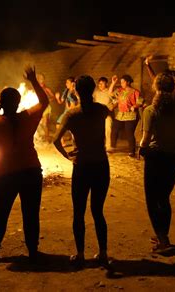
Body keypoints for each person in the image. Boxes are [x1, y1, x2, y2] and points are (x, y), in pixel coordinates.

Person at [0, 66, 49, 264]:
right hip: (31, 172)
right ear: (18, 102)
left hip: (6, 175)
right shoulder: (27, 117)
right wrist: (33, 80)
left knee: (0, 213)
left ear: (0, 102)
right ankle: (33, 252)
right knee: (31, 213)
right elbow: (44, 101)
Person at [53, 75, 111, 267]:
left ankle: (80, 254)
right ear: (93, 90)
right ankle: (103, 253)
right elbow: (112, 113)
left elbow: (55, 140)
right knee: (98, 211)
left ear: (75, 91)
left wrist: (68, 156)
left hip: (82, 166)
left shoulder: (72, 114)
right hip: (101, 164)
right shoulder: (101, 110)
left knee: (79, 212)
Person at [139, 73, 175, 252]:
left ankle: (163, 240)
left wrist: (141, 149)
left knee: (152, 199)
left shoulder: (151, 110)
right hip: (174, 157)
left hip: (156, 157)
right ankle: (162, 234)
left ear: (156, 87)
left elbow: (146, 138)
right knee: (164, 198)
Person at [109, 74, 142, 157]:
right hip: (121, 114)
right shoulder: (120, 91)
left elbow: (140, 102)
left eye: (123, 82)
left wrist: (134, 106)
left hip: (131, 115)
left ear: (128, 82)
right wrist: (113, 83)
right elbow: (110, 94)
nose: (121, 83)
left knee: (129, 132)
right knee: (114, 129)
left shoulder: (135, 92)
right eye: (121, 82)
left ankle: (132, 151)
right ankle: (112, 147)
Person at [93, 77, 114, 150]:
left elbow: (116, 101)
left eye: (102, 83)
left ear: (106, 84)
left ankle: (108, 146)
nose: (100, 85)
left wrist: (112, 106)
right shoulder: (96, 93)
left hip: (107, 114)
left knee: (108, 130)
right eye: (99, 83)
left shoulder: (110, 92)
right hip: (98, 115)